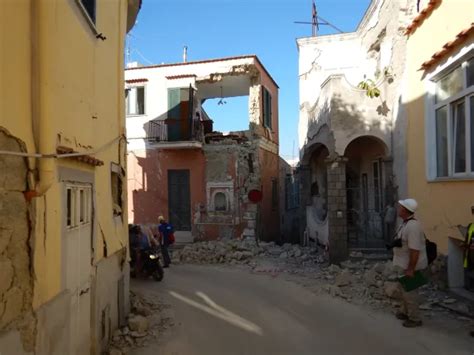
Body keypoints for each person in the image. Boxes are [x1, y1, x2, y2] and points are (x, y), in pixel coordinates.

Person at [391, 198, 428, 328]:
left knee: (410, 292)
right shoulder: (406, 223)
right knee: (403, 290)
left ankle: (414, 318)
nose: (398, 209)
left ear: (405, 211)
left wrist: (411, 269)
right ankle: (404, 312)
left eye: (400, 207)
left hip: (409, 265)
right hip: (403, 264)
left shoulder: (412, 227)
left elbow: (415, 250)